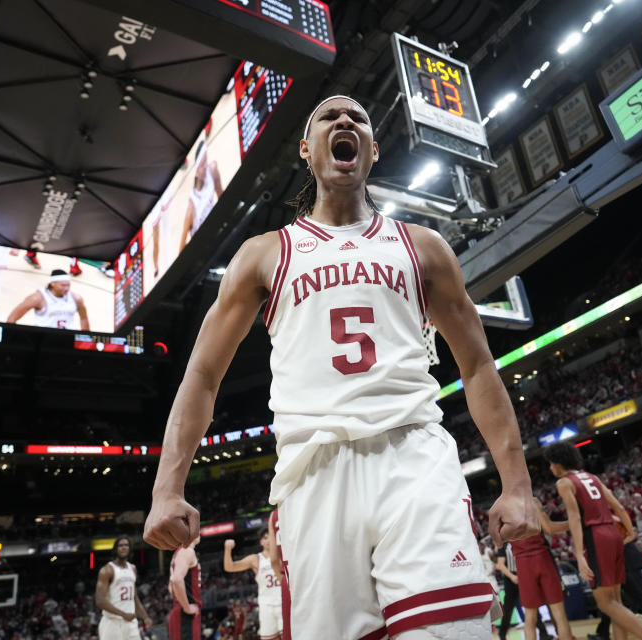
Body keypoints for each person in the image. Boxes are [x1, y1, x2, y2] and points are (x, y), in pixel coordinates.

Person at [143, 95, 538, 639]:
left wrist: (517, 483)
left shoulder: (423, 247)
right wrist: (168, 488)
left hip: (413, 457)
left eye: (359, 118)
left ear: (372, 150)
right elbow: (202, 376)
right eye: (327, 116)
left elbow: (477, 367)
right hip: (313, 474)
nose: (345, 121)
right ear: (306, 149)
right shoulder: (265, 254)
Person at [544, 442, 642, 640]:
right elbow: (619, 507)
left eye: (551, 463)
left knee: (605, 603)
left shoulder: (564, 483)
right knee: (616, 603)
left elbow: (575, 518)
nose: (550, 467)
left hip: (596, 538)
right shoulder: (592, 477)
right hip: (613, 534)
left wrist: (579, 554)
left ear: (558, 463)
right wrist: (630, 532)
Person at [513, 503, 574, 640]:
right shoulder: (532, 501)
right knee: (559, 614)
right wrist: (573, 522)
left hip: (523, 562)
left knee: (530, 618)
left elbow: (498, 540)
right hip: (542, 557)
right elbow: (548, 528)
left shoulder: (501, 506)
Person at [223, 531, 282, 640]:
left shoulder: (283, 554)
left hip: (284, 602)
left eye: (270, 537)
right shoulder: (255, 559)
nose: (268, 540)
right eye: (265, 537)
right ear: (261, 542)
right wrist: (227, 549)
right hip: (266, 605)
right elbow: (229, 567)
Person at [95, 537, 152, 639]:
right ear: (115, 549)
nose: (123, 548)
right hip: (112, 622)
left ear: (130, 549)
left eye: (126, 545)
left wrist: (145, 617)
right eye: (120, 545)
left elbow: (134, 597)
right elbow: (100, 601)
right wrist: (123, 614)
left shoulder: (133, 569)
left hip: (130, 622)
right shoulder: (107, 570)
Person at [6, 269, 89, 330]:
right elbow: (12, 317)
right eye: (63, 285)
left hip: (66, 339)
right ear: (52, 283)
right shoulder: (37, 298)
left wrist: (86, 339)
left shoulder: (76, 299)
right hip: (43, 339)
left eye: (68, 285)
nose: (66, 288)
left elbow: (84, 318)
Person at [179, 144, 223, 251]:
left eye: (206, 161)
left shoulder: (212, 170)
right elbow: (181, 249)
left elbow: (222, 197)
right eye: (202, 164)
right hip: (204, 248)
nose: (206, 166)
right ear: (197, 172)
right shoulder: (191, 207)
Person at [168, 536, 202, 640]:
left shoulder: (180, 552)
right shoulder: (187, 550)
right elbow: (177, 580)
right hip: (185, 615)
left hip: (181, 613)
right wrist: (186, 606)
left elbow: (171, 587)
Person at [266, 509, 291, 640]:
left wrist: (283, 580)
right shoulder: (300, 501)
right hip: (308, 573)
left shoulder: (273, 515)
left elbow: (274, 559)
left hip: (287, 579)